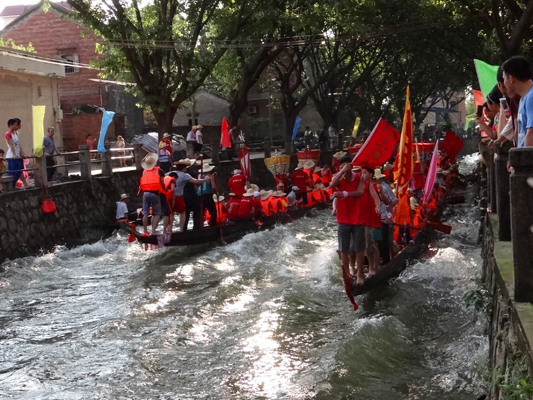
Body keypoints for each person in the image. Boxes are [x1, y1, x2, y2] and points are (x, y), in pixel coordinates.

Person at [330, 156, 379, 286]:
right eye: (341, 167)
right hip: (343, 219)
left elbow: (359, 192)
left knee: (359, 248)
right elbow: (332, 185)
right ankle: (347, 275)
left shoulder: (360, 178)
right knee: (344, 249)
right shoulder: (338, 178)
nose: (344, 168)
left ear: (351, 166)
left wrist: (345, 194)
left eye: (346, 166)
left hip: (358, 219)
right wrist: (341, 172)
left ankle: (360, 274)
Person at [502, 55, 533, 147]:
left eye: (504, 79)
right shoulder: (524, 98)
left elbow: (531, 134)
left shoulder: (531, 98)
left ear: (511, 79)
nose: (504, 83)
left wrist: (524, 160)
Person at [172, 159, 209, 232]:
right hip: (190, 195)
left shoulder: (173, 174)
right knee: (197, 209)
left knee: (185, 212)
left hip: (182, 195)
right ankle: (197, 227)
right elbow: (197, 183)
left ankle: (183, 229)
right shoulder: (190, 173)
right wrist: (203, 180)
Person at [139, 152, 165, 235]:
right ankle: (153, 231)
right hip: (155, 194)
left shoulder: (144, 171)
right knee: (157, 213)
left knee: (145, 213)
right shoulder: (159, 171)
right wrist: (165, 190)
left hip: (145, 194)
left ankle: (145, 231)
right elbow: (162, 183)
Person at [5, 118, 29, 189]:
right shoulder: (8, 134)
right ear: (10, 125)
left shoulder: (16, 133)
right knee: (13, 172)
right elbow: (11, 145)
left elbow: (18, 145)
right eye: (15, 125)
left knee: (19, 170)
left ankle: (22, 184)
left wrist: (22, 154)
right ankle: (10, 185)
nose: (16, 126)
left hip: (18, 155)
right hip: (12, 156)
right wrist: (15, 154)